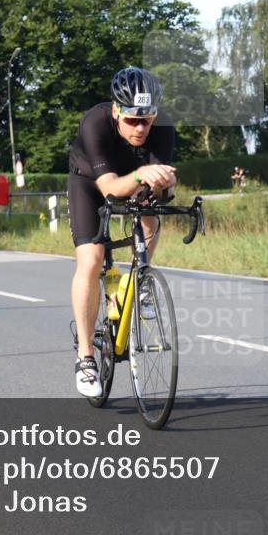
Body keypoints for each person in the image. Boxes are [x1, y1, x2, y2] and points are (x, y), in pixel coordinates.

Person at [67, 66, 176, 397]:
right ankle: (86, 356)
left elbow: (160, 187)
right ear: (116, 111)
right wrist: (143, 174)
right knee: (91, 259)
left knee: (150, 219)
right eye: (132, 120)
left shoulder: (163, 128)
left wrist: (165, 184)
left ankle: (140, 283)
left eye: (147, 120)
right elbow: (111, 190)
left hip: (133, 177)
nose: (141, 128)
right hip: (91, 182)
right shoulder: (95, 123)